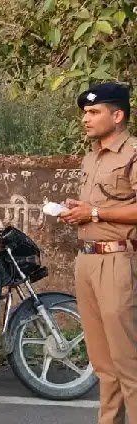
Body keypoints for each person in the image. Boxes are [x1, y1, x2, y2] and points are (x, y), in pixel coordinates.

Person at [60, 82, 137, 424]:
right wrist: (79, 210)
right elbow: (98, 208)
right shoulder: (91, 157)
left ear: (117, 116)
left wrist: (93, 213)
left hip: (118, 260)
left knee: (128, 362)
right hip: (88, 261)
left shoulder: (133, 153)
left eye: (94, 112)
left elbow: (104, 211)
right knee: (104, 365)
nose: (85, 119)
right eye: (84, 113)